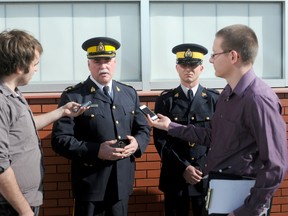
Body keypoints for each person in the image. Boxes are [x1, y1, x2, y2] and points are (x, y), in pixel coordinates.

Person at [147, 24, 288, 216]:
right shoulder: (228, 94)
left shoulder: (258, 99)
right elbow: (213, 135)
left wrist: (248, 210)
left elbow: (275, 164)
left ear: (232, 56)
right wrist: (170, 126)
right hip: (220, 193)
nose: (211, 60)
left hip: (240, 200)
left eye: (215, 54)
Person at [51, 36, 151, 216]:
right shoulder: (74, 96)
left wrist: (137, 143)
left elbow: (143, 128)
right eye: (97, 61)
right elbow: (60, 140)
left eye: (107, 60)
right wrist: (96, 150)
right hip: (90, 185)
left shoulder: (128, 93)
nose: (103, 66)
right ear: (89, 64)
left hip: (122, 182)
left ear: (115, 62)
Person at [0, 29, 87, 216]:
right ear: (19, 67)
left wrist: (62, 112)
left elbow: (23, 127)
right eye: (35, 64)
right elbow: (0, 165)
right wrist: (24, 211)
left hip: (23, 201)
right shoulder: (1, 101)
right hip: (10, 206)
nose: (36, 69)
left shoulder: (13, 92)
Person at [153, 43, 219, 216]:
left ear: (202, 68)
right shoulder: (165, 100)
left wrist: (200, 167)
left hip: (204, 175)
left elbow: (219, 139)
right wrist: (184, 167)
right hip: (175, 175)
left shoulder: (214, 99)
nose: (188, 69)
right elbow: (160, 141)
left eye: (193, 65)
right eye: (184, 65)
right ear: (177, 68)